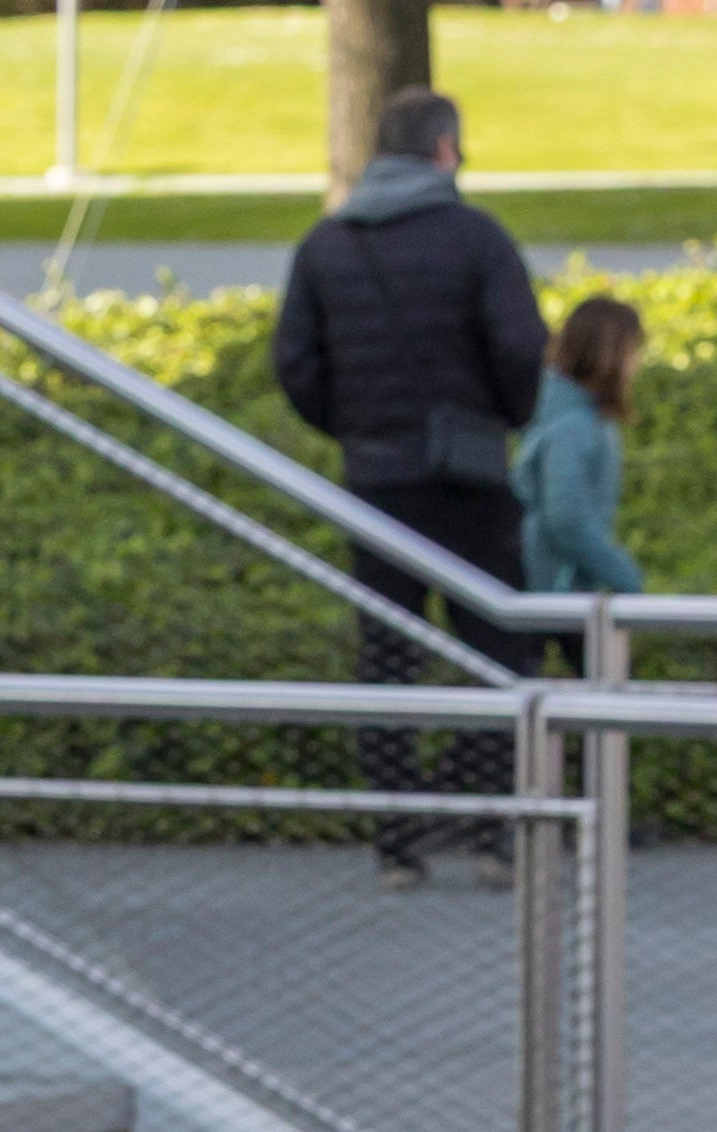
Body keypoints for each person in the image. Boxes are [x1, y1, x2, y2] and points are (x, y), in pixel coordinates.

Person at [268, 89, 541, 886]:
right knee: (495, 653)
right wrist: (499, 419)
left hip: (376, 481)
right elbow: (522, 347)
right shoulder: (478, 240)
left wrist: (355, 430)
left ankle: (398, 843)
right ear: (446, 149)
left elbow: (296, 363)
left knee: (387, 656)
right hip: (471, 480)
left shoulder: (326, 247)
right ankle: (496, 830)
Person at [515, 293, 646, 604]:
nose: (638, 363)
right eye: (634, 351)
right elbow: (566, 518)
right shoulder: (573, 427)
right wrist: (626, 576)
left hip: (561, 585)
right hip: (559, 590)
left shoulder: (562, 414)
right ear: (612, 355)